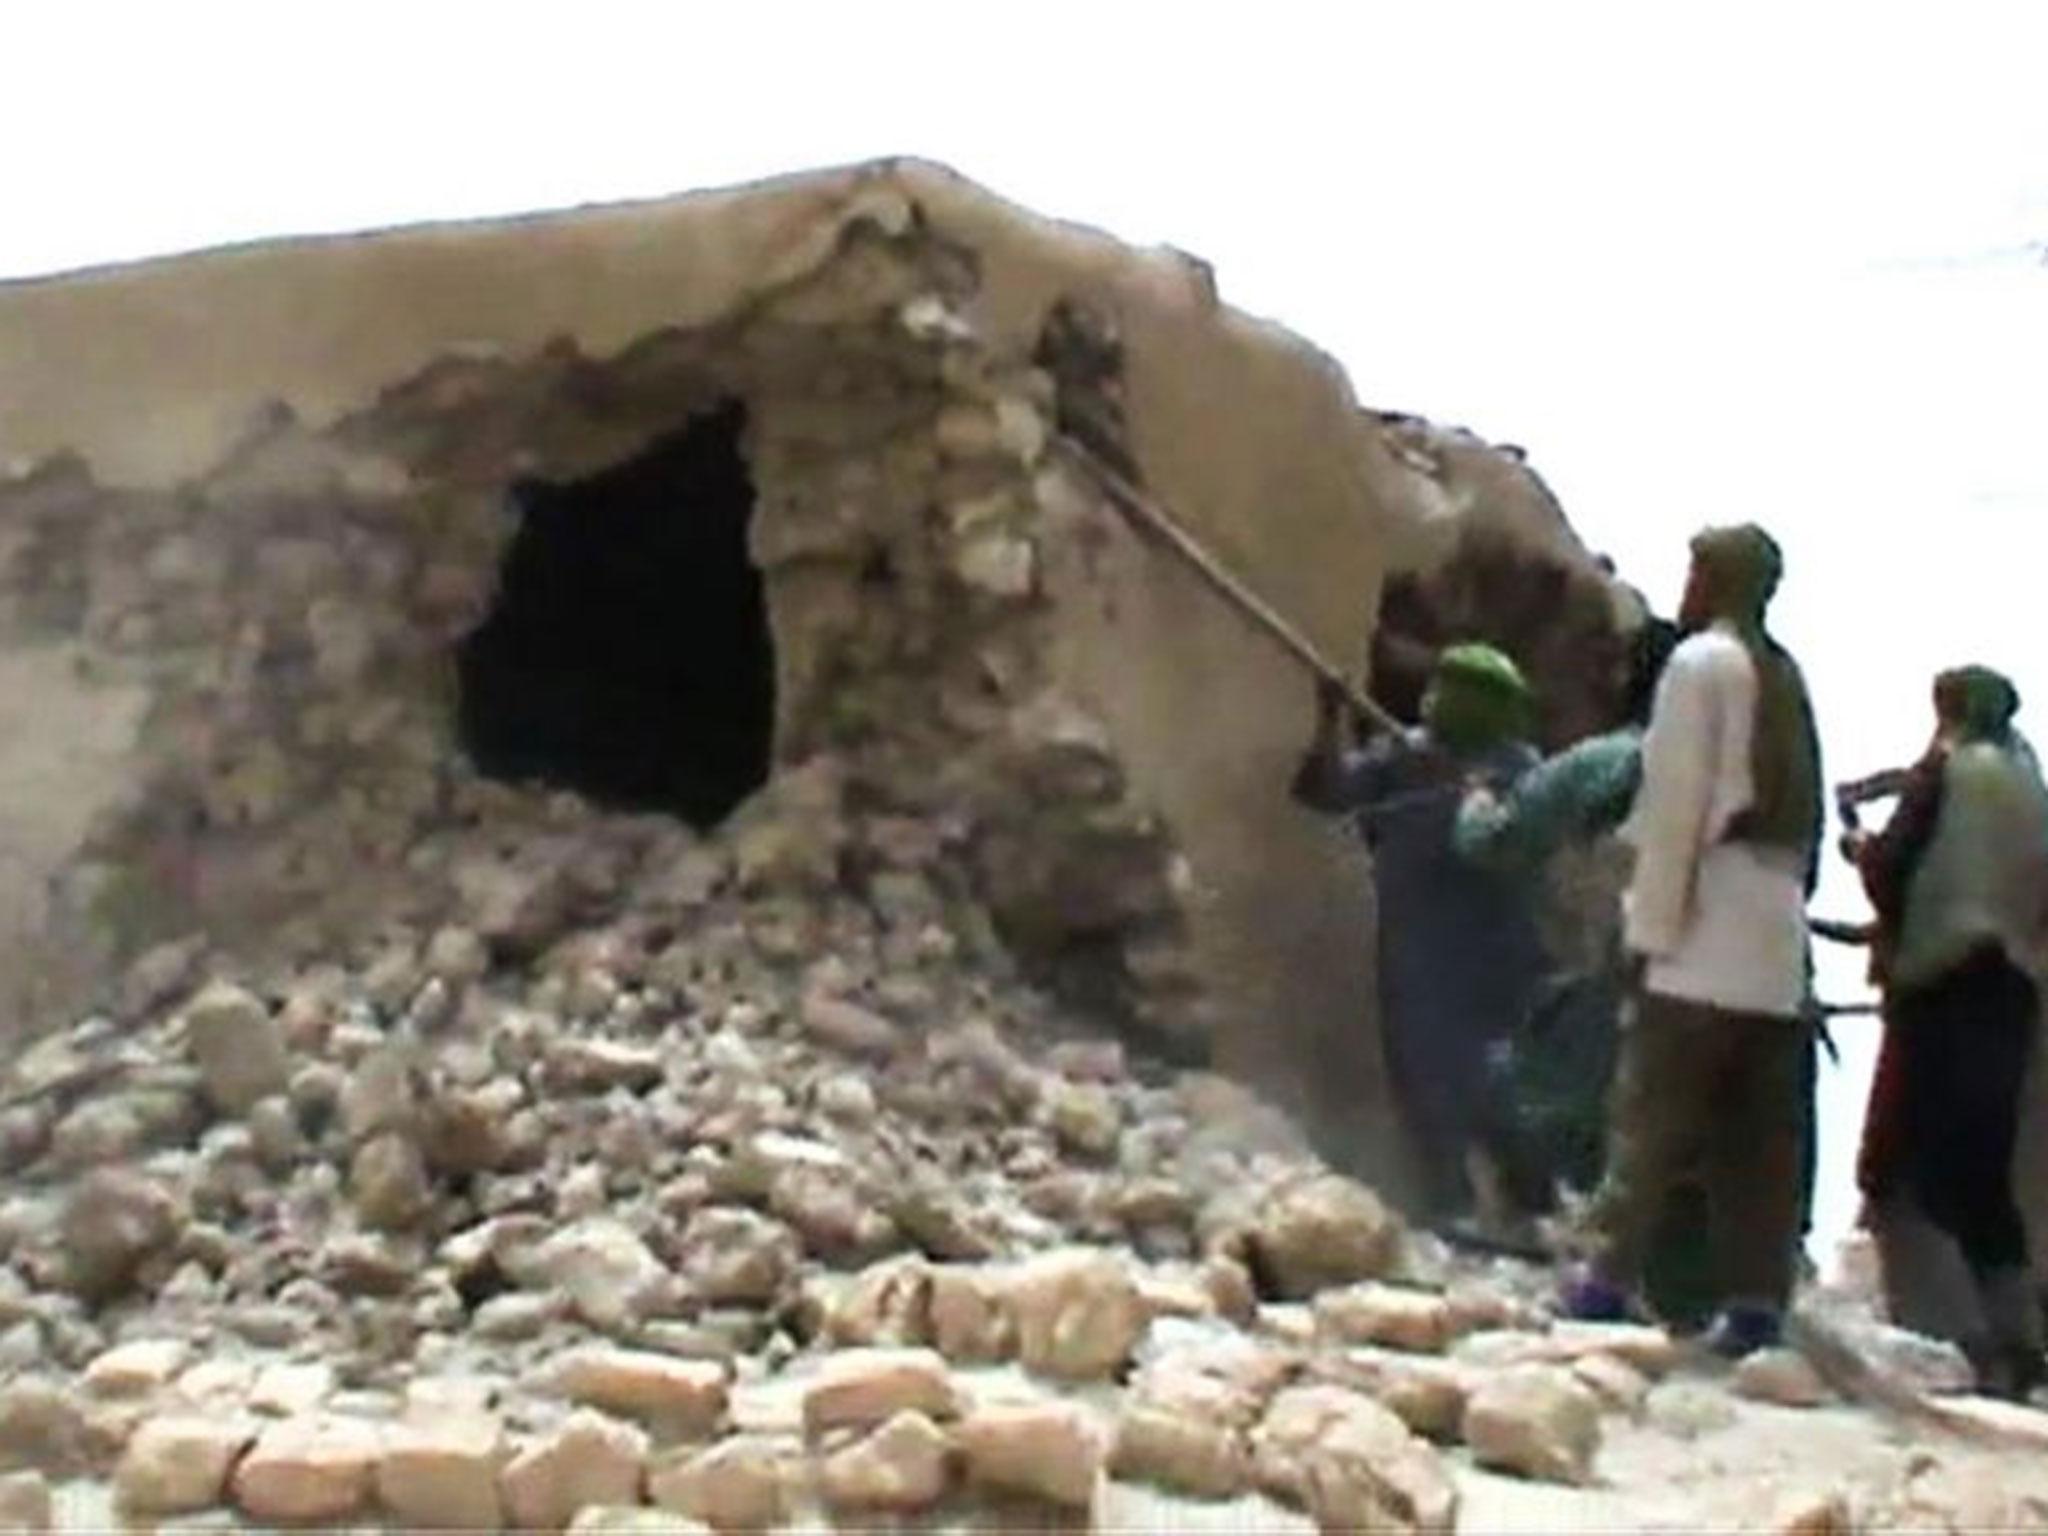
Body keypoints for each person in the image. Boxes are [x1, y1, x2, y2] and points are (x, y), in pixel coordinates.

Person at [1560, 523, 1824, 1358]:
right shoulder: (1787, 675)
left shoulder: (1699, 665)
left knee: (1652, 1114)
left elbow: (1676, 810)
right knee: (1759, 1137)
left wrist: (1650, 928)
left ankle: (1604, 1284)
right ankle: (1756, 1306)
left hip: (1706, 920)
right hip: (1777, 937)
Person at [1843, 665, 2048, 1398]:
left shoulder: (1947, 769)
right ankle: (2018, 1339)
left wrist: (1860, 849)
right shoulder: (2030, 782)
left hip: (1940, 982)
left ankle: (1943, 1334)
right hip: (2015, 987)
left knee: (1901, 1162)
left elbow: (1891, 871)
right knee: (1986, 1175)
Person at [1293, 642, 1550, 1222]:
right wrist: (1329, 720)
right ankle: (1450, 1203)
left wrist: (1474, 789)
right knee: (1420, 1072)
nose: (1436, 701)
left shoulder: (1523, 771)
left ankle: (1533, 1207)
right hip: (1416, 946)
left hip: (1491, 950)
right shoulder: (1405, 754)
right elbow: (1322, 792)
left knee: (1494, 1082)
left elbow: (1529, 835)